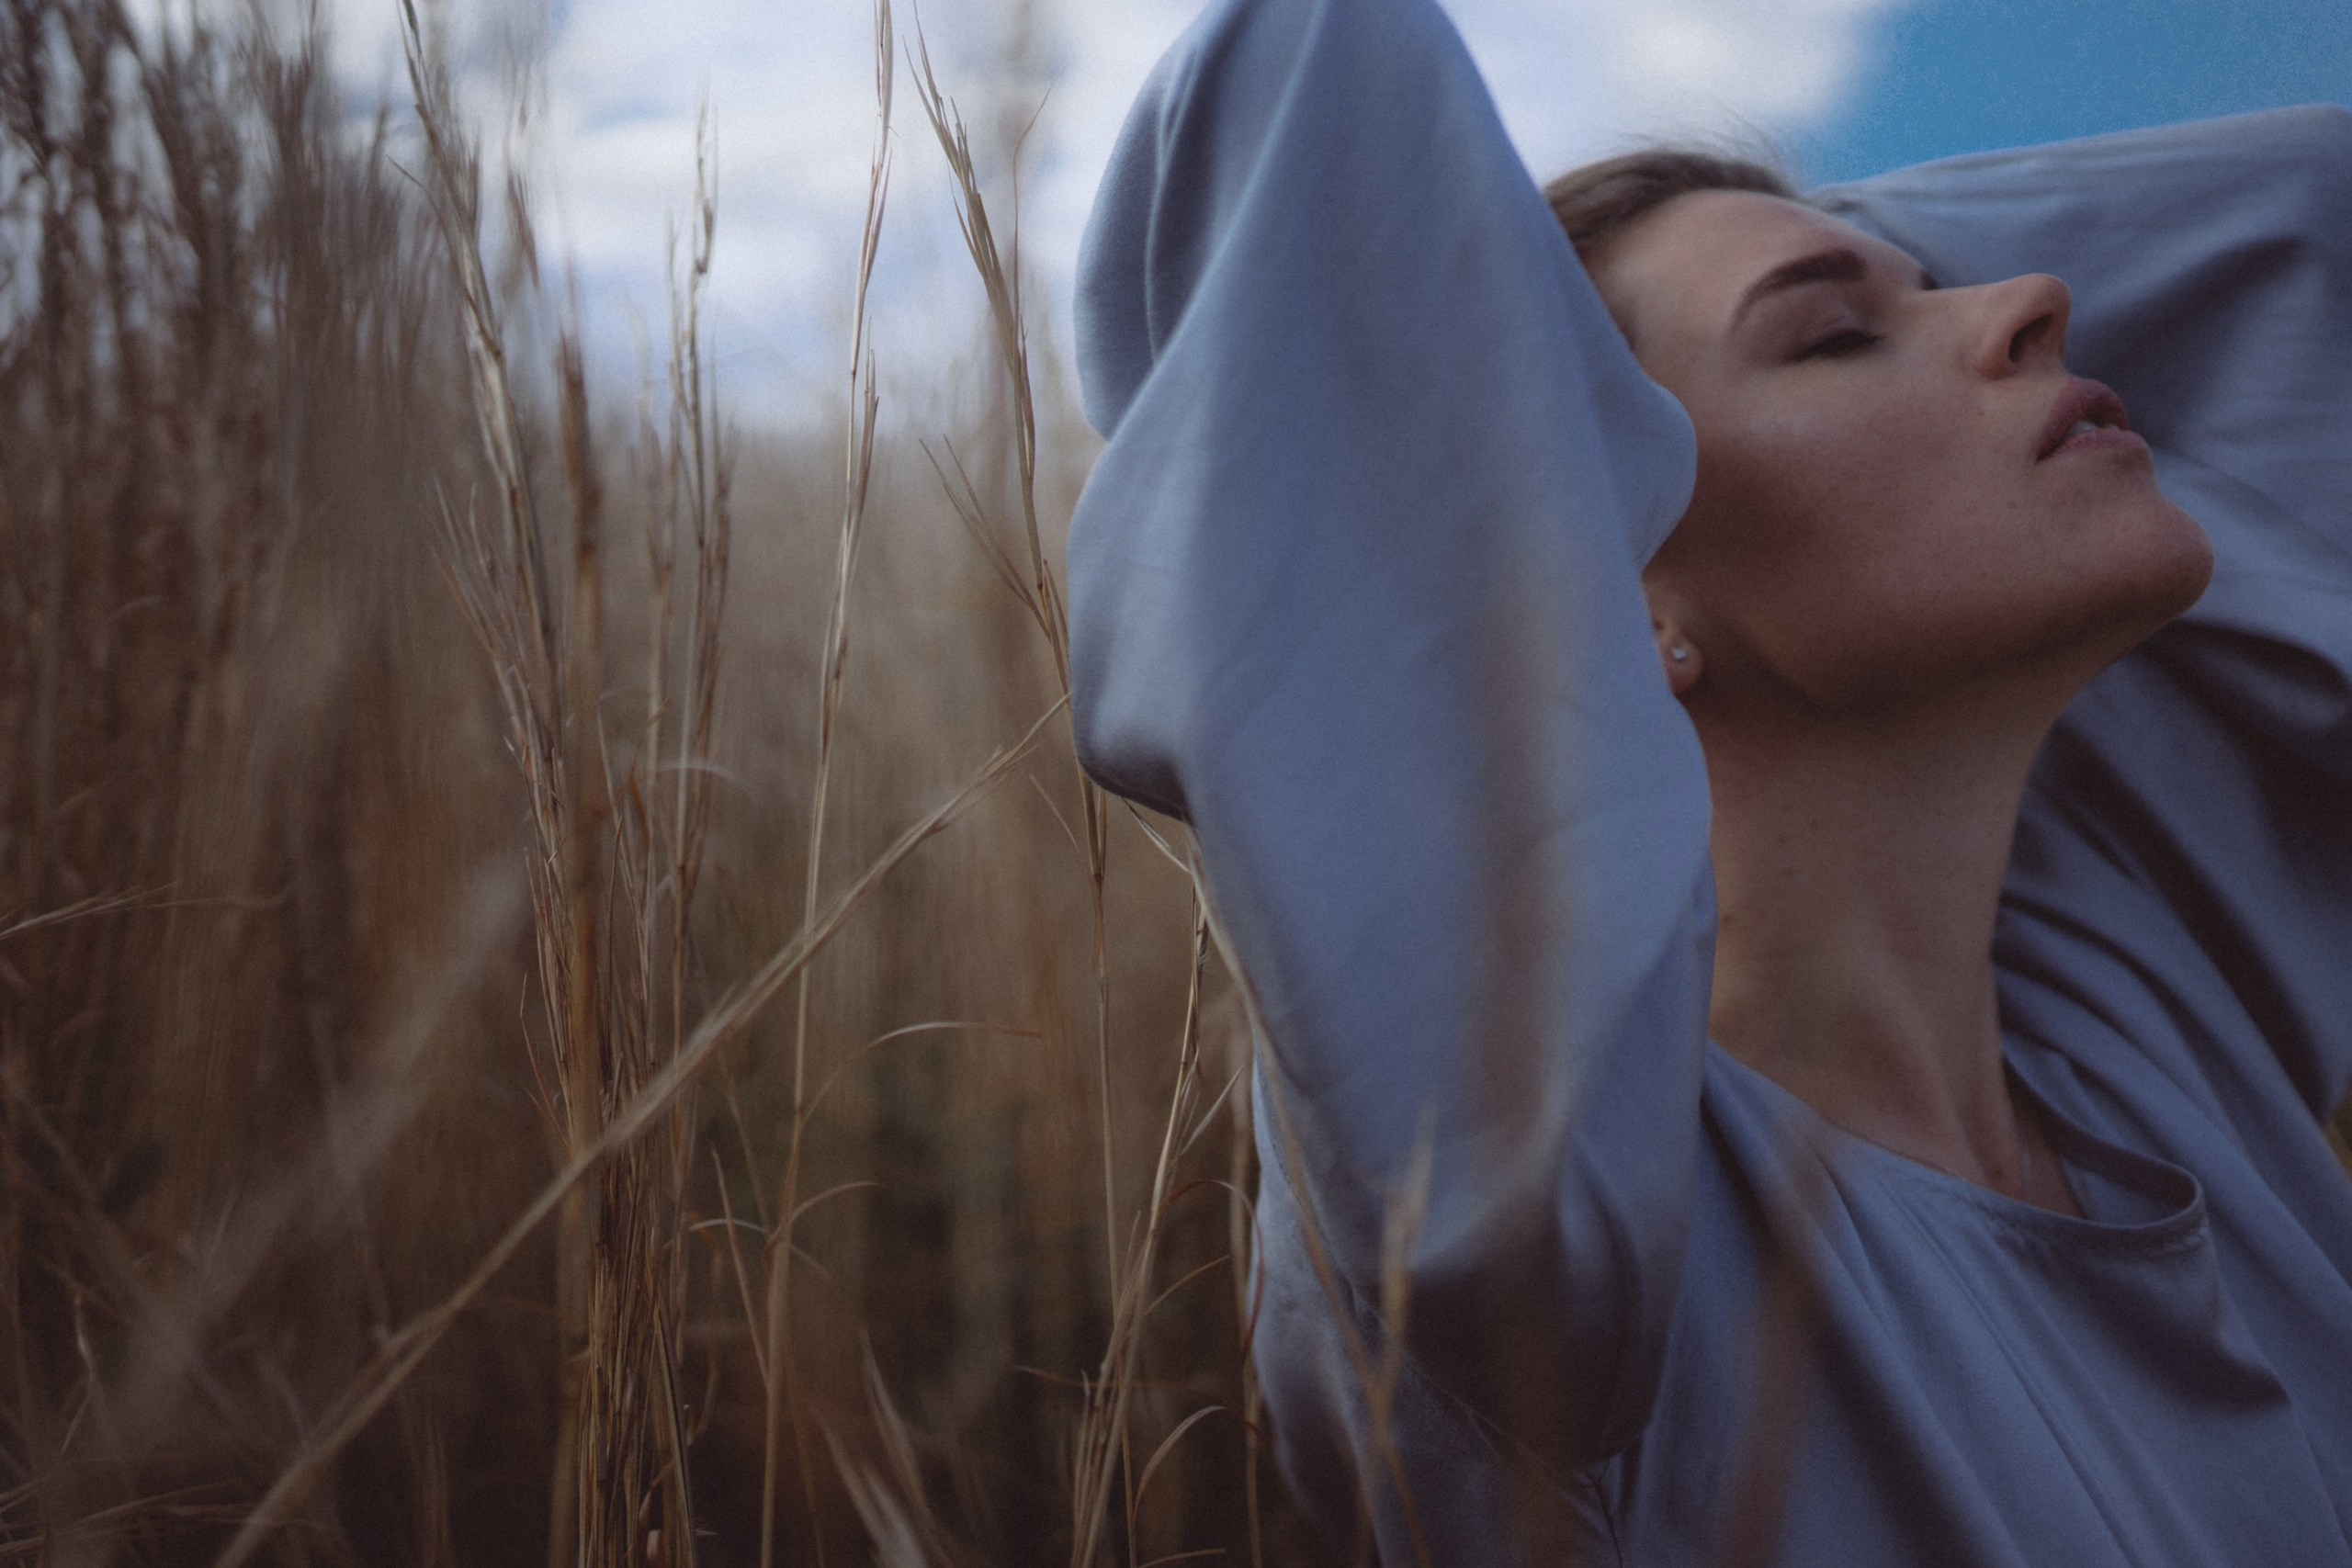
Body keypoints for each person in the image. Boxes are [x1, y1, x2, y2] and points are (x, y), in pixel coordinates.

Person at [1066, 0, 2352, 1561]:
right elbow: (1311, 85)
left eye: (1938, 290)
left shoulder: (2142, 991)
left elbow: (2317, 219)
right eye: (1834, 337)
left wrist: (1826, 248)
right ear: (1603, 583)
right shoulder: (1570, 1222)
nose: (2037, 302)